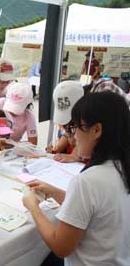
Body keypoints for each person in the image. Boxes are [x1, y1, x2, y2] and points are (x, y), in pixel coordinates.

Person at [23, 91, 130, 266]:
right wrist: (57, 193)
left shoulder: (88, 181)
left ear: (96, 130)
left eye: (76, 128)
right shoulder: (121, 167)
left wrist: (33, 207)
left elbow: (61, 247)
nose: (73, 138)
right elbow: (99, 208)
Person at [46, 81, 84, 163]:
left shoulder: (93, 116)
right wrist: (55, 150)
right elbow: (67, 134)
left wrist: (74, 155)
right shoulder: (70, 124)